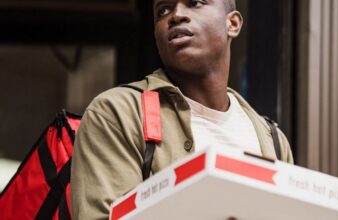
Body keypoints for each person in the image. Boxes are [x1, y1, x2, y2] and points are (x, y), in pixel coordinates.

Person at [70, 0, 294, 219]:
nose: (175, 15)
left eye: (195, 3)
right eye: (163, 10)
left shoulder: (273, 141)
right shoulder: (117, 114)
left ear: (232, 23)